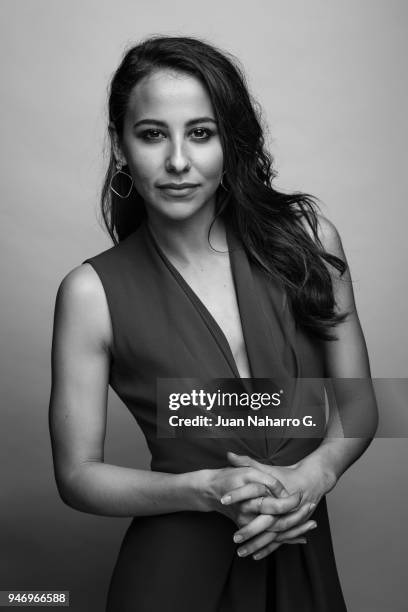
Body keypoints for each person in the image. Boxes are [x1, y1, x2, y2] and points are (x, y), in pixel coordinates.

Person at [49, 35, 378, 611]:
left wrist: (314, 475)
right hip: (172, 579)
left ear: (230, 141)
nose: (178, 160)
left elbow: (359, 405)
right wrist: (200, 491)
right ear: (120, 147)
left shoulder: (309, 243)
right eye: (153, 134)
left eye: (201, 133)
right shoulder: (90, 292)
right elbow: (77, 475)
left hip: (301, 555)